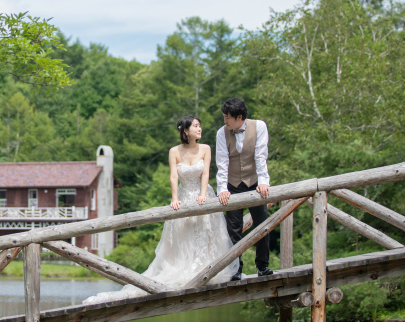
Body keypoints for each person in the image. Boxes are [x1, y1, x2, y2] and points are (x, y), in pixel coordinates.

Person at [83, 115, 238, 305]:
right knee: (184, 234)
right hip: (183, 195)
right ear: (185, 130)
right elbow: (174, 176)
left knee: (205, 232)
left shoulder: (205, 148)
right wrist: (175, 198)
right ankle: (186, 271)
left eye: (200, 126)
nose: (200, 129)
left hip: (202, 195)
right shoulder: (174, 151)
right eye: (196, 126)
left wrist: (203, 195)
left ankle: (207, 271)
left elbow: (206, 173)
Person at [215, 97, 273, 280]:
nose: (225, 121)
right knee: (233, 229)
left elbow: (261, 155)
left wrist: (264, 181)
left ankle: (262, 266)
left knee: (262, 225)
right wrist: (222, 189)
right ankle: (236, 269)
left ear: (239, 117)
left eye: (227, 117)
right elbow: (222, 163)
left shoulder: (260, 126)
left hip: (255, 182)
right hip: (232, 185)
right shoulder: (221, 133)